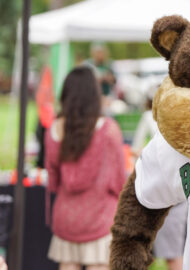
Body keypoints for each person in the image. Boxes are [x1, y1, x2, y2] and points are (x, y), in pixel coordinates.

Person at [45, 67, 127, 270]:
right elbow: (119, 181)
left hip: (66, 218)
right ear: (94, 94)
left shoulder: (54, 130)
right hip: (100, 217)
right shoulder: (108, 130)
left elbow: (53, 181)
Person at [131, 87, 187, 270]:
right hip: (181, 187)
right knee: (177, 252)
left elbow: (135, 148)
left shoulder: (158, 118)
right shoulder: (181, 116)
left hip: (168, 190)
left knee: (172, 253)